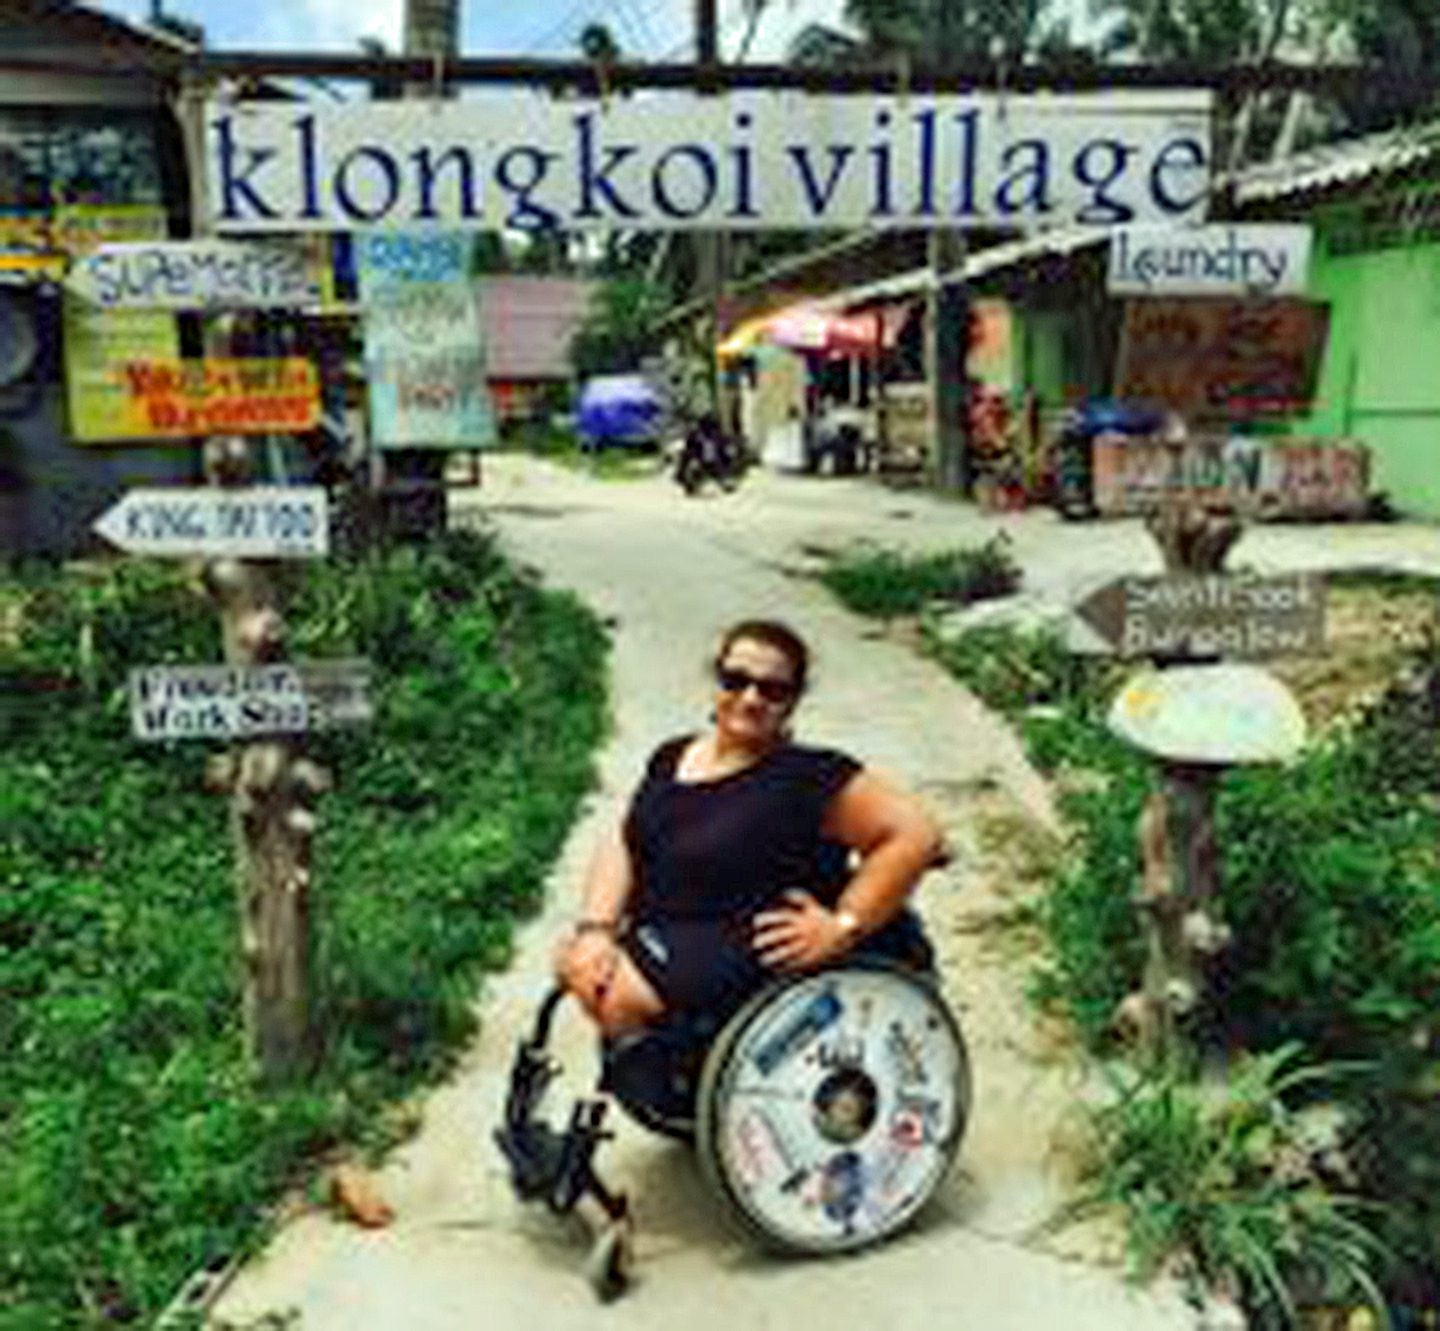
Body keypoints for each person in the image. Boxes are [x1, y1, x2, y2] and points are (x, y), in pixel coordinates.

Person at [554, 618, 945, 1038]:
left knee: (619, 994)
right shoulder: (673, 757)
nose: (751, 698)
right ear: (716, 681)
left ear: (793, 702)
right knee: (577, 964)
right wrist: (595, 931)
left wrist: (842, 927)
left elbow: (917, 835)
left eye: (772, 690)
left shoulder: (808, 777)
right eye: (735, 680)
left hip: (753, 936)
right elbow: (625, 837)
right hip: (677, 929)